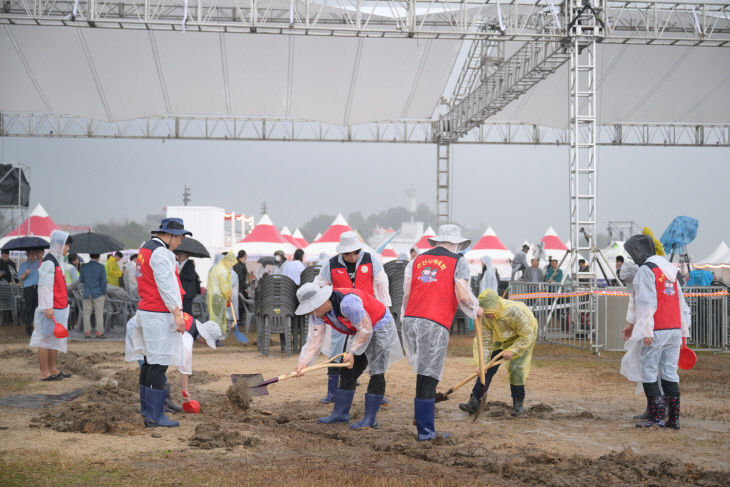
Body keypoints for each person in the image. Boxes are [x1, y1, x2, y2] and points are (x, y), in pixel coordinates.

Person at [401, 224, 481, 441]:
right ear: (456, 243)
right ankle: (426, 432)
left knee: (422, 370)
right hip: (433, 322)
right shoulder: (458, 261)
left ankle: (420, 419)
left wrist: (406, 317)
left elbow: (407, 291)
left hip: (411, 319)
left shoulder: (417, 260)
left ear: (437, 242)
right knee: (430, 375)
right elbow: (463, 296)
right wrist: (476, 309)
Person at [294, 282, 402, 430]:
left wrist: (352, 352)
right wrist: (303, 363)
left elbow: (366, 329)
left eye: (311, 308)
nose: (310, 312)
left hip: (378, 326)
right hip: (359, 331)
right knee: (347, 370)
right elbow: (315, 339)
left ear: (322, 301)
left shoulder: (348, 303)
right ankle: (340, 414)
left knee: (377, 371)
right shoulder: (317, 313)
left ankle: (370, 419)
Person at [620, 234, 690, 430]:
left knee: (649, 370)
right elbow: (681, 303)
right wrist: (684, 331)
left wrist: (644, 328)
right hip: (674, 329)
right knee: (670, 371)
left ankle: (656, 416)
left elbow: (646, 303)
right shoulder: (670, 269)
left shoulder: (646, 270)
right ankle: (673, 418)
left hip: (657, 329)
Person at [313, 231, 391, 405]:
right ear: (341, 252)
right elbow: (321, 283)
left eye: (356, 252)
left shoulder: (371, 260)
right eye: (348, 253)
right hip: (341, 313)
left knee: (372, 352)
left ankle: (377, 390)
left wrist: (385, 305)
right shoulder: (331, 264)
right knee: (337, 350)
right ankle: (332, 391)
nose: (353, 256)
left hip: (367, 313)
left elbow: (381, 281)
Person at [129, 218, 191, 428]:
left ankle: (148, 411)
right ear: (171, 235)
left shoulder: (145, 249)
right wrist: (177, 313)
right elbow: (166, 285)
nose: (180, 243)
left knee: (148, 363)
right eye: (180, 237)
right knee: (158, 364)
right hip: (158, 314)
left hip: (146, 311)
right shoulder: (161, 253)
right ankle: (156, 414)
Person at [459, 289, 538, 417]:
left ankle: (518, 404)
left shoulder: (515, 311)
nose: (488, 316)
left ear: (496, 306)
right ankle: (474, 402)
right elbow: (484, 341)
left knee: (516, 368)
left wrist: (512, 350)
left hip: (522, 337)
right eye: (486, 313)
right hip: (500, 337)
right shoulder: (485, 318)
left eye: (490, 313)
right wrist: (483, 363)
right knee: (487, 368)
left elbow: (526, 335)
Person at [126, 312, 222, 413]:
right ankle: (151, 407)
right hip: (141, 330)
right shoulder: (187, 338)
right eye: (206, 342)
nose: (205, 344)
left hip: (145, 324)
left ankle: (165, 403)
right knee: (151, 368)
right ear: (203, 336)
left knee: (158, 367)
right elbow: (184, 368)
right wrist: (186, 391)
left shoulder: (191, 323)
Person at [29, 231, 72, 381]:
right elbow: (45, 286)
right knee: (44, 340)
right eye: (67, 245)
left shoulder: (58, 260)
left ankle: (53, 369)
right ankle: (44, 373)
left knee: (54, 340)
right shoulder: (49, 261)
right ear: (59, 244)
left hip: (60, 307)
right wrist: (47, 307)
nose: (68, 249)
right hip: (50, 308)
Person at [206, 251, 236, 338]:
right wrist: (227, 295)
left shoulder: (213, 269)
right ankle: (217, 337)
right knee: (219, 317)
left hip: (212, 296)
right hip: (219, 297)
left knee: (215, 316)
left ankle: (214, 335)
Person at [79, 253, 107, 339]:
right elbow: (103, 282)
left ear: (90, 256)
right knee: (99, 313)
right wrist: (104, 292)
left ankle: (87, 332)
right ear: (98, 257)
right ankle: (99, 332)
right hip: (98, 292)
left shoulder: (84, 266)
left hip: (87, 292)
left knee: (86, 313)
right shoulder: (101, 267)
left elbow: (81, 279)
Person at [18, 249, 41, 335]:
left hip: (38, 288)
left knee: (38, 308)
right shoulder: (23, 265)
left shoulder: (39, 264)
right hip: (29, 288)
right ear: (27, 255)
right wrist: (26, 273)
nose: (32, 255)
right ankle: (28, 329)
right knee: (29, 309)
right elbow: (20, 278)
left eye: (33, 253)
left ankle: (38, 328)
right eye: (30, 254)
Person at [176, 250, 200, 315]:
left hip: (187, 292)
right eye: (179, 253)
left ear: (186, 255)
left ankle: (188, 324)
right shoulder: (179, 264)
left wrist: (180, 273)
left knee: (187, 311)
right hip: (181, 292)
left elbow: (191, 277)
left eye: (181, 253)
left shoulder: (189, 264)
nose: (179, 255)